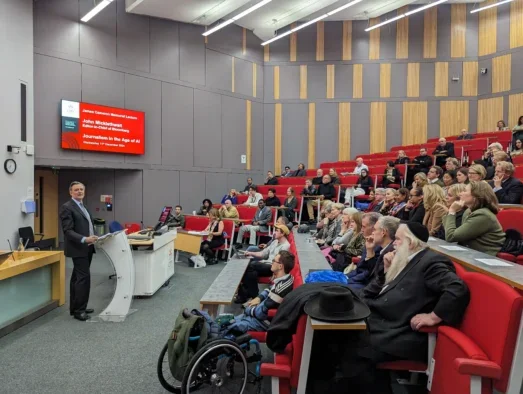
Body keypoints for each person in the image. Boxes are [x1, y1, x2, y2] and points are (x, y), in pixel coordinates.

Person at [318, 222, 469, 394]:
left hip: (401, 331)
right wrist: (386, 271)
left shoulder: (431, 262)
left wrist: (433, 317)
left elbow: (457, 288)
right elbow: (375, 291)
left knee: (354, 351)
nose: (393, 243)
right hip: (383, 320)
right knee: (334, 335)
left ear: (410, 243)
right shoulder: (405, 258)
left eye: (397, 239)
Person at [226, 251, 295, 334]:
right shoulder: (286, 278)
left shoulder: (280, 290)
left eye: (274, 261)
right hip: (258, 315)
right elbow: (270, 289)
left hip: (262, 322)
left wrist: (247, 309)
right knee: (226, 320)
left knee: (227, 328)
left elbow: (260, 314)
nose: (271, 262)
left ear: (280, 266)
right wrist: (259, 297)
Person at [59, 181, 98, 321]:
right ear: (71, 192)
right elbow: (68, 231)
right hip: (78, 247)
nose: (80, 191)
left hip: (87, 247)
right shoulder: (67, 207)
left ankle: (76, 307)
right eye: (76, 190)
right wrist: (84, 239)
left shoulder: (83, 206)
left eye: (81, 189)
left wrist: (95, 236)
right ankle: (80, 311)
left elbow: (88, 225)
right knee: (83, 278)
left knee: (77, 278)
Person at [443, 181, 505, 256]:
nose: (460, 194)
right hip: (469, 252)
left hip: (484, 257)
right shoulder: (468, 211)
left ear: (476, 195)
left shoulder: (483, 215)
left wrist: (452, 211)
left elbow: (451, 237)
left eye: (465, 191)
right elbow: (447, 231)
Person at [235, 224, 291, 303]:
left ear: (282, 234)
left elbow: (281, 264)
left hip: (272, 266)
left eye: (277, 231)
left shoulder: (286, 246)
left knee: (252, 264)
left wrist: (275, 273)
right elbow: (263, 254)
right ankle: (250, 295)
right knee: (250, 272)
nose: (274, 232)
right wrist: (250, 253)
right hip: (265, 264)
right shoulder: (275, 242)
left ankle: (246, 294)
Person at [350, 216, 399, 291]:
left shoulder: (391, 252)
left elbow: (375, 280)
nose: (372, 232)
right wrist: (370, 250)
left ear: (383, 232)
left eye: (375, 229)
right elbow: (370, 272)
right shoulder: (384, 249)